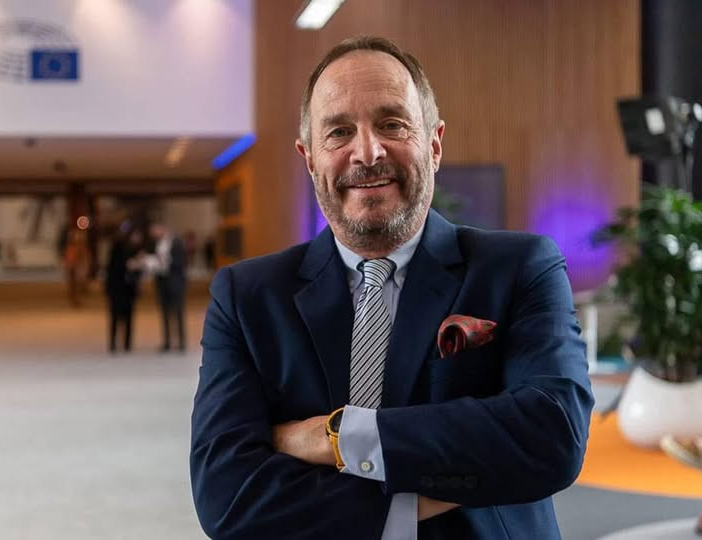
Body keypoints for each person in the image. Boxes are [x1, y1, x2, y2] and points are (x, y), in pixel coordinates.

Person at [190, 36, 594, 539]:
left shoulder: (519, 268)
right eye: (339, 132)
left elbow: (553, 437)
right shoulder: (246, 296)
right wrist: (448, 478)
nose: (368, 152)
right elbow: (226, 498)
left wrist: (337, 438)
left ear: (434, 143)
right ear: (310, 158)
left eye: (392, 124)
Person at [148, 223, 187, 351]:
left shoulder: (177, 242)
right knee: (164, 313)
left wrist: (166, 262)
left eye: (155, 231)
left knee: (178, 312)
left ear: (162, 229)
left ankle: (181, 341)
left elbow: (181, 262)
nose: (154, 235)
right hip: (162, 282)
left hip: (175, 282)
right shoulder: (157, 243)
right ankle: (167, 341)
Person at [104, 227, 143, 353]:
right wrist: (129, 265)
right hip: (118, 289)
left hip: (127, 290)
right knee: (116, 317)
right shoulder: (118, 250)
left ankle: (125, 343)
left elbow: (138, 272)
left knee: (127, 317)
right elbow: (113, 270)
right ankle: (115, 343)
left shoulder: (135, 250)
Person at [63, 227, 90, 307]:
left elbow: (83, 257)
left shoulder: (77, 247)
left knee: (75, 285)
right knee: (73, 285)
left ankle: (75, 299)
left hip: (75, 267)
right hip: (73, 267)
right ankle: (74, 300)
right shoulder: (73, 248)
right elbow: (69, 258)